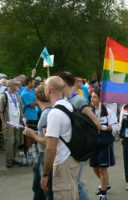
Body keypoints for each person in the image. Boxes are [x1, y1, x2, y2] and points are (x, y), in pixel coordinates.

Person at [59, 71, 102, 200]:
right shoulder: (67, 99)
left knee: (76, 183)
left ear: (64, 84)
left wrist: (89, 137)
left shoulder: (77, 99)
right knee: (73, 182)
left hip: (76, 146)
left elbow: (95, 121)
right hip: (69, 146)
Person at [40, 76, 80, 199]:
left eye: (45, 86)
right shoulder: (68, 105)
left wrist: (46, 174)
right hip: (72, 159)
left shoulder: (54, 113)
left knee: (64, 195)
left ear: (49, 89)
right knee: (72, 194)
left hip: (63, 162)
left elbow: (51, 148)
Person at [23, 84, 53, 200]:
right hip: (42, 155)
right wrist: (34, 131)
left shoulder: (46, 114)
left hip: (45, 155)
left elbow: (47, 141)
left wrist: (32, 134)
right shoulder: (49, 111)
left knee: (45, 189)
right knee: (38, 188)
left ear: (36, 97)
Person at [89, 87, 119, 200]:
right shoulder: (89, 111)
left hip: (104, 144)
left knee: (102, 169)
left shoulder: (109, 112)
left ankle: (103, 193)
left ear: (101, 99)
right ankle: (106, 183)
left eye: (95, 97)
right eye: (91, 96)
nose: (92, 99)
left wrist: (103, 127)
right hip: (93, 144)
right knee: (95, 167)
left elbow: (116, 127)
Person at [0, 79, 24, 168]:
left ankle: (13, 158)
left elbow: (20, 108)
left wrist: (22, 118)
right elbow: (1, 111)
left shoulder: (17, 95)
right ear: (10, 86)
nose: (18, 86)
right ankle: (9, 161)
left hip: (17, 123)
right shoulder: (4, 96)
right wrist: (3, 122)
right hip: (8, 123)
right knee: (10, 142)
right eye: (16, 85)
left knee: (16, 141)